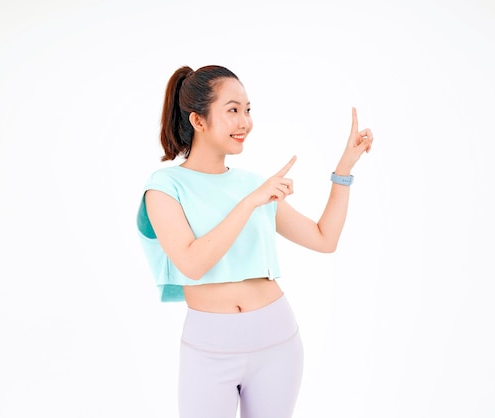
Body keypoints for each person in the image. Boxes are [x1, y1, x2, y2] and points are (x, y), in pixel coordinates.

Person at [137, 64, 373, 418]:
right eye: (232, 110)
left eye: (247, 110)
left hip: (277, 342)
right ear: (198, 121)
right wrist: (250, 202)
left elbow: (324, 239)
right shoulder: (165, 188)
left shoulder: (254, 184)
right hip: (209, 350)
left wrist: (344, 170)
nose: (245, 121)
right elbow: (192, 263)